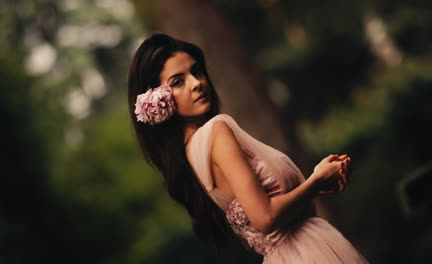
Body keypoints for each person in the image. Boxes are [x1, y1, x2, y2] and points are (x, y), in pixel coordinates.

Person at [127, 33, 368, 263]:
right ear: (159, 102)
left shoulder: (190, 156)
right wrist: (316, 181)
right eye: (178, 82)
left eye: (196, 71)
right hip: (307, 253)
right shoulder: (217, 131)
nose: (197, 83)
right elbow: (264, 218)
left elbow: (253, 232)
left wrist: (307, 191)